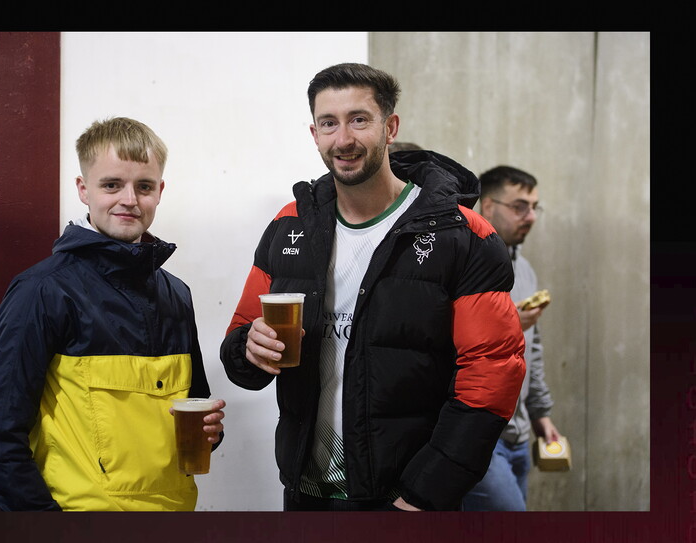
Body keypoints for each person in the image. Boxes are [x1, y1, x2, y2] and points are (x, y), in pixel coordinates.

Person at [219, 63, 526, 511]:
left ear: (390, 126)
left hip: (402, 501)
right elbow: (239, 347)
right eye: (329, 123)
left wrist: (425, 494)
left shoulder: (463, 236)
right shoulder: (289, 225)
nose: (343, 139)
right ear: (315, 132)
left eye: (359, 119)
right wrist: (250, 348)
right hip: (306, 494)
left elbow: (492, 380)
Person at [0, 117, 225, 511]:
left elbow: (194, 407)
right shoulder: (44, 290)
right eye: (111, 185)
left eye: (144, 186)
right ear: (83, 190)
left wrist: (210, 431)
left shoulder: (177, 294)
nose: (130, 199)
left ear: (160, 191)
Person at [462, 165, 561, 511]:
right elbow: (445, 348)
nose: (531, 217)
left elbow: (531, 350)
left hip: (518, 436)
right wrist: (508, 324)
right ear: (488, 207)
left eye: (534, 206)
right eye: (520, 206)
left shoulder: (525, 269)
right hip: (479, 438)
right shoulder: (462, 263)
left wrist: (540, 416)